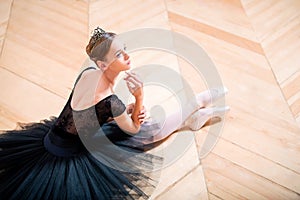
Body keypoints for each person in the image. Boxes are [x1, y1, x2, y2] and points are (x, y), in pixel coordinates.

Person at [0, 27, 229, 199]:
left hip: (53, 139)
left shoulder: (87, 73)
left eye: (125, 50)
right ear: (103, 64)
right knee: (147, 132)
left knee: (140, 125)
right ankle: (194, 106)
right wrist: (139, 97)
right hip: (70, 156)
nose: (127, 56)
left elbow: (85, 112)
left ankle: (193, 116)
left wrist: (118, 112)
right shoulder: (111, 101)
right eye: (119, 54)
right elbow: (134, 128)